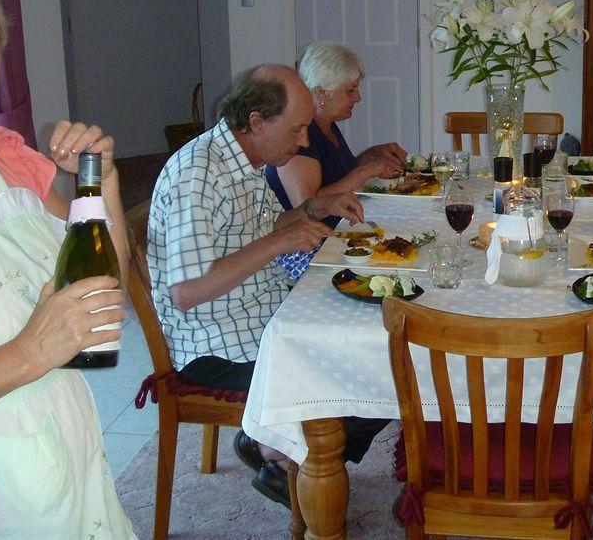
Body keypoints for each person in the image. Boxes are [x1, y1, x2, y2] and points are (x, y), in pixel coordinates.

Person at [147, 64, 386, 507]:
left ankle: (274, 447)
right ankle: (280, 455)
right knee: (368, 377)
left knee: (380, 348)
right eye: (296, 130)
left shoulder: (244, 158)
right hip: (215, 347)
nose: (302, 141)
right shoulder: (198, 174)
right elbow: (187, 291)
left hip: (262, 310)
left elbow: (260, 227)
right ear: (256, 122)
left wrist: (315, 207)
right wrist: (281, 241)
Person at [0, 0, 135, 537]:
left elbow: (104, 288)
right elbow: (42, 344)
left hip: (67, 460)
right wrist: (31, 350)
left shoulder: (4, 156)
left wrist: (102, 181)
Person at [266, 42, 407, 228]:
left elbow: (334, 175)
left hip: (338, 227)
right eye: (350, 90)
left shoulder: (326, 124)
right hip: (310, 240)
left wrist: (371, 156)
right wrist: (366, 170)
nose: (358, 97)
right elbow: (307, 206)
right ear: (322, 93)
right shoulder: (300, 133)